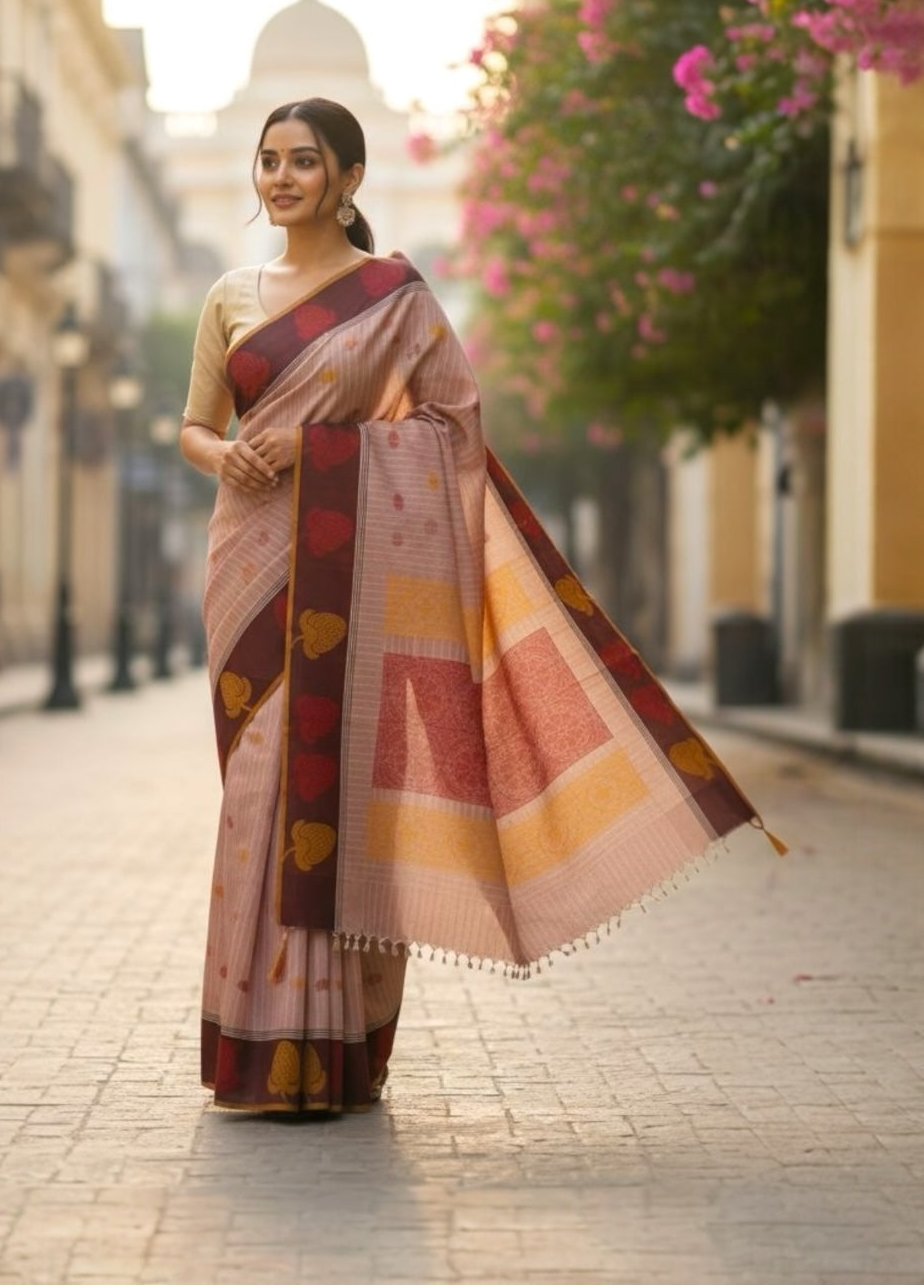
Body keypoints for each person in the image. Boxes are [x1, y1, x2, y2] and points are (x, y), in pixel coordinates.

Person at [180, 97, 775, 1117]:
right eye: (269, 161)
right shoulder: (230, 296)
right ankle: (255, 1048)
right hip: (251, 561)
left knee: (344, 800)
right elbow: (194, 425)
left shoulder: (394, 297)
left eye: (304, 162)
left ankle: (336, 1054)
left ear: (349, 179)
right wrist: (224, 455)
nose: (281, 179)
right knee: (256, 795)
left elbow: (453, 429)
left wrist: (325, 452)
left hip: (349, 574)